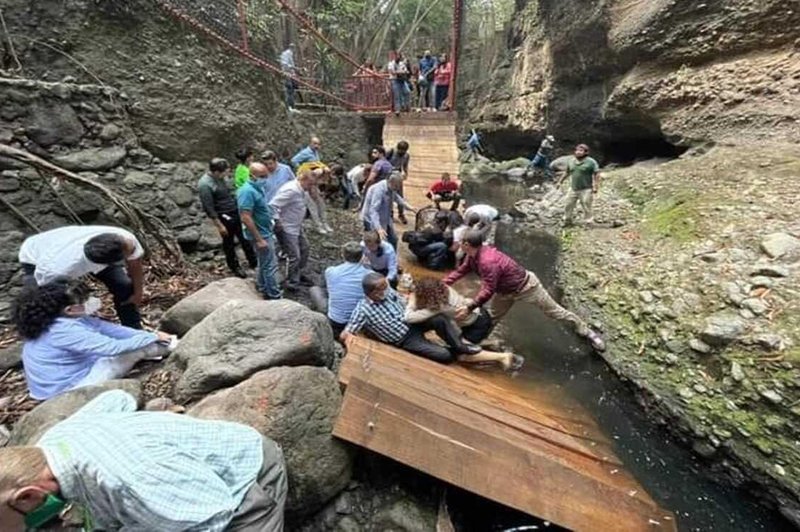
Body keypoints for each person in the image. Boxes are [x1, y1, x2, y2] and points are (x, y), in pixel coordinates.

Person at [0, 390, 287, 531]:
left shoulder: (126, 478)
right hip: (175, 484)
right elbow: (118, 398)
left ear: (28, 498)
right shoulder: (52, 442)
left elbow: (213, 516)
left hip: (241, 482)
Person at [444, 230, 606, 352]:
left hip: (528, 287)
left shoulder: (487, 261)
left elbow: (488, 289)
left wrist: (469, 307)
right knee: (492, 318)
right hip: (505, 292)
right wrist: (443, 284)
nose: (458, 243)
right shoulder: (472, 256)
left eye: (461, 241)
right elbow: (461, 271)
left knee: (555, 312)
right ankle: (478, 343)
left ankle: (586, 331)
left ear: (467, 245)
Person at [12, 280, 174, 400]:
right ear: (69, 309)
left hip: (65, 379)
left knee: (139, 341)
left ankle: (164, 345)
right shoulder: (63, 330)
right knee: (137, 348)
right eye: (83, 301)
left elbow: (112, 330)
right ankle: (174, 347)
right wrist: (152, 337)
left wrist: (146, 334)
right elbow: (113, 348)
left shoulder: (59, 319)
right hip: (66, 391)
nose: (89, 302)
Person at [19, 225, 146, 329]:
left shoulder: (123, 239)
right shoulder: (55, 270)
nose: (133, 247)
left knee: (123, 285)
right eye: (130, 251)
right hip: (35, 255)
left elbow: (135, 265)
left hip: (71, 247)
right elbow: (45, 294)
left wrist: (138, 293)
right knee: (46, 306)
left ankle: (134, 329)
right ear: (108, 262)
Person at [340, 273, 481, 363]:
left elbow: (401, 298)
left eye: (386, 285)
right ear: (372, 293)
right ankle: (453, 352)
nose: (386, 289)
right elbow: (346, 332)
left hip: (412, 323)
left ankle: (460, 346)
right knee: (445, 356)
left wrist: (412, 299)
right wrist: (347, 338)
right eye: (382, 288)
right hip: (404, 338)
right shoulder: (363, 309)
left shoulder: (387, 291)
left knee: (440, 318)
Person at [405, 277, 523, 371]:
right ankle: (490, 343)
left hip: (476, 326)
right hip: (479, 314)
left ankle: (502, 357)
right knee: (460, 342)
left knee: (462, 356)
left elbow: (409, 318)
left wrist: (411, 301)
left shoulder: (437, 307)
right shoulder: (444, 288)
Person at [198, 157, 257, 278]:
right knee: (229, 242)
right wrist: (219, 225)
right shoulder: (205, 184)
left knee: (245, 238)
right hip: (223, 215)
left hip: (234, 210)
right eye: (224, 172)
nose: (226, 175)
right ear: (216, 172)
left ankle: (254, 262)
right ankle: (234, 267)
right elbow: (209, 207)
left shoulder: (221, 178)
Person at [238, 162, 282, 300]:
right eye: (262, 176)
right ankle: (273, 294)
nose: (265, 179)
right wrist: (259, 239)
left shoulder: (258, 188)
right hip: (260, 234)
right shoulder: (247, 192)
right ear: (252, 176)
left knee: (264, 262)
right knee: (270, 265)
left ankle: (262, 286)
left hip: (265, 230)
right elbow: (245, 217)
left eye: (266, 176)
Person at [270, 170, 315, 291]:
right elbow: (273, 205)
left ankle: (298, 273)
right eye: (310, 184)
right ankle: (291, 281)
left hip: (297, 226)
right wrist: (277, 221)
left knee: (305, 248)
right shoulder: (291, 190)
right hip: (287, 227)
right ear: (303, 180)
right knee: (294, 256)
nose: (311, 187)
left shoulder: (302, 190)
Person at [324, 242, 372, 338]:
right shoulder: (370, 275)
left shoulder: (330, 271)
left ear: (343, 255)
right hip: (359, 321)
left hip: (336, 320)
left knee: (316, 290)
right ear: (362, 256)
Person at [360, 172, 415, 249]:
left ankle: (392, 259)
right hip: (372, 220)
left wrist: (409, 207)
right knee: (379, 244)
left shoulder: (391, 188)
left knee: (394, 240)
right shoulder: (379, 191)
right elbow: (373, 211)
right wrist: (379, 228)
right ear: (390, 182)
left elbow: (396, 197)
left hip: (385, 217)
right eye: (396, 186)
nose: (398, 188)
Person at [561, 143, 601, 226]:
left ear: (586, 152)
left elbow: (596, 173)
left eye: (581, 151)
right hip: (573, 188)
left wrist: (596, 186)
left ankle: (588, 221)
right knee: (568, 204)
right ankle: (567, 220)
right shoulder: (571, 161)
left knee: (586, 204)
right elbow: (567, 172)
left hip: (586, 188)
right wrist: (560, 181)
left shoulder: (591, 162)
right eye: (577, 150)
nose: (578, 152)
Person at [387, 141, 411, 224]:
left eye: (404, 151)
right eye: (400, 150)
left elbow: (405, 165)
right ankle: (390, 214)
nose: (402, 152)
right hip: (389, 174)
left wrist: (406, 173)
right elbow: (384, 161)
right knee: (389, 194)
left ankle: (401, 214)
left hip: (398, 175)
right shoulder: (391, 152)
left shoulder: (406, 156)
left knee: (400, 195)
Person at [280, 43, 299, 113]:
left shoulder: (285, 53)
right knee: (289, 90)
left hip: (289, 74)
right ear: (293, 48)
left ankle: (290, 106)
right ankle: (290, 107)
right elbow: (286, 64)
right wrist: (295, 68)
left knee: (291, 90)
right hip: (287, 74)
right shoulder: (288, 54)